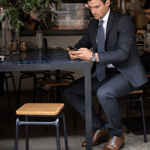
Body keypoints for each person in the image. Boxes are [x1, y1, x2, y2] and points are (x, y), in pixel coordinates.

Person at [63, 0, 148, 150]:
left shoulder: (124, 21)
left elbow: (122, 53)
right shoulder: (93, 24)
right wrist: (73, 51)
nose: (94, 11)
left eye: (97, 7)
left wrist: (93, 56)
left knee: (105, 93)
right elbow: (82, 43)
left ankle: (117, 135)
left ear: (108, 2)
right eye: (90, 8)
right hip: (104, 73)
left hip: (126, 73)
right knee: (70, 91)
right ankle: (101, 127)